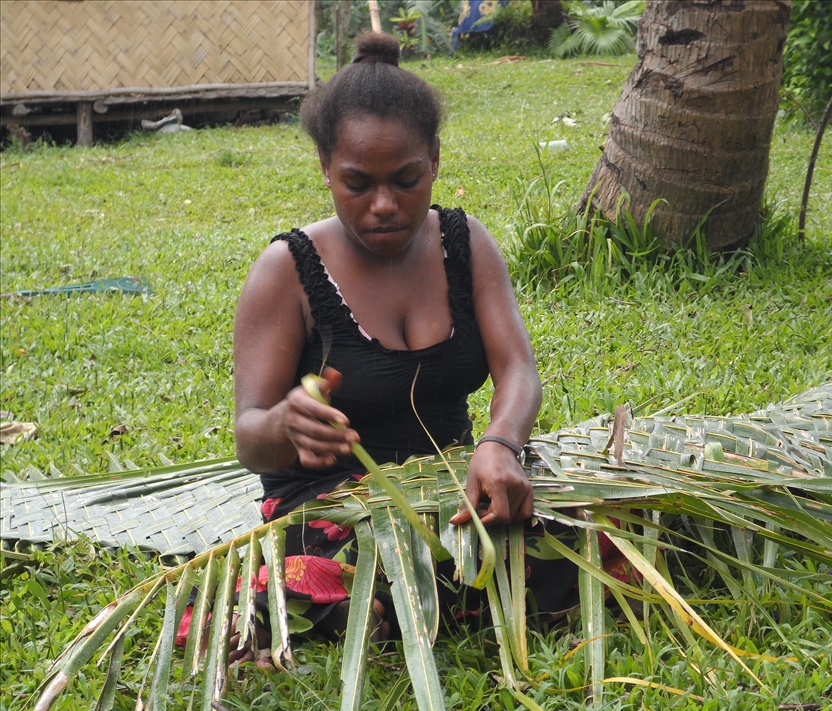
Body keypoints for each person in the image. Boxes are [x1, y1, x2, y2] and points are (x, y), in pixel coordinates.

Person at [225, 33, 579, 667]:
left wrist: (500, 445)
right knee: (333, 581)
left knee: (577, 539)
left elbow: (517, 369)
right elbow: (249, 437)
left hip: (450, 490)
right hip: (334, 506)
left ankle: (440, 592)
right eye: (357, 183)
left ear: (435, 160)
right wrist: (282, 425)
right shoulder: (286, 271)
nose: (384, 206)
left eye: (406, 180)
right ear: (325, 169)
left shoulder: (466, 243)